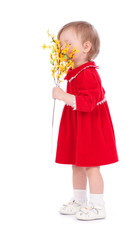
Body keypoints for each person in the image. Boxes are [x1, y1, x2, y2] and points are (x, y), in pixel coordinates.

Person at [52, 21, 119, 221]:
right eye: (59, 45)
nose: (61, 48)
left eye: (66, 43)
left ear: (86, 47)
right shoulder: (75, 71)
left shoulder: (89, 73)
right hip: (78, 123)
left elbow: (89, 103)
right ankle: (80, 200)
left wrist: (63, 96)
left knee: (91, 165)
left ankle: (98, 205)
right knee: (76, 163)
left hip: (91, 125)